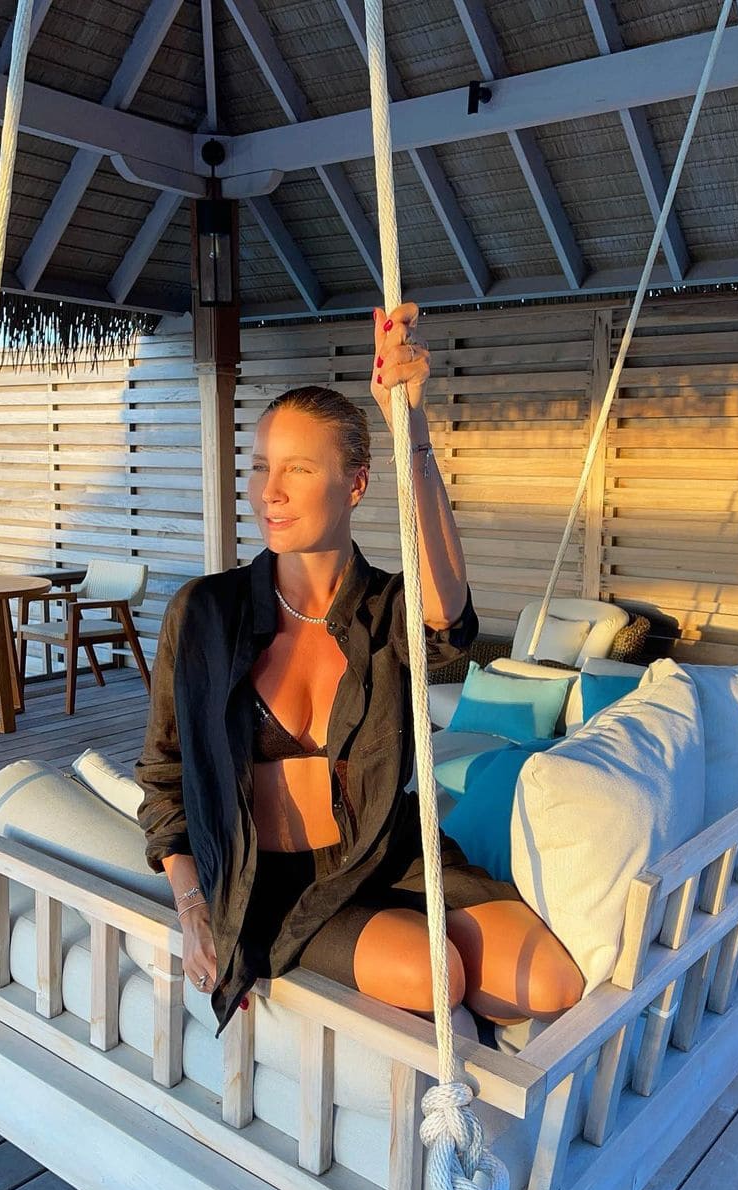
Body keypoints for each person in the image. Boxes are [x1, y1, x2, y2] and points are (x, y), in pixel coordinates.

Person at [136, 303, 583, 1037]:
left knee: (551, 981)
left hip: (387, 853)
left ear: (356, 485)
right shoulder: (205, 613)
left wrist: (413, 429)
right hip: (276, 883)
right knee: (436, 972)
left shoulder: (387, 610)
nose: (269, 491)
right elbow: (164, 778)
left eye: (299, 469)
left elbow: (448, 618)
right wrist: (192, 908)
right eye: (261, 466)